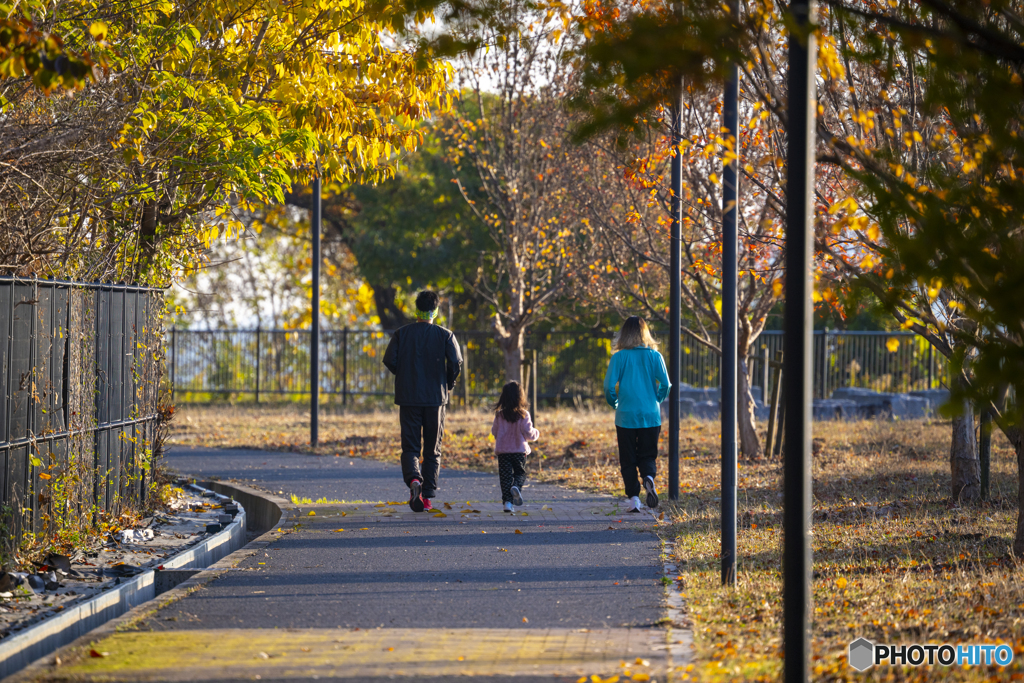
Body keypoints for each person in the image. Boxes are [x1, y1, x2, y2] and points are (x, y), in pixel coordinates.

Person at [383, 291, 463, 512]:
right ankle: (427, 497)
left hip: (408, 398)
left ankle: (413, 481)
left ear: (416, 309)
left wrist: (404, 375)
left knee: (410, 446)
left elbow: (389, 359)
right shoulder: (445, 335)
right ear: (435, 311)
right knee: (432, 449)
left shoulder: (401, 334)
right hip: (435, 399)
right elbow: (456, 362)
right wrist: (448, 382)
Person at [603, 316, 670, 512]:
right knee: (648, 454)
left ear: (624, 334)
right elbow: (666, 384)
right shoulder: (655, 356)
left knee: (628, 458)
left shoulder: (619, 357)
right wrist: (657, 400)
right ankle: (649, 477)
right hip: (650, 414)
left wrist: (613, 401)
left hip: (626, 415)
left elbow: (608, 386)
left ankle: (634, 499)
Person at [491, 381, 540, 513]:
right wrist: (537, 433)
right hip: (519, 451)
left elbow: (494, 432)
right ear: (520, 397)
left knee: (505, 477)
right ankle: (516, 486)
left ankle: (507, 504)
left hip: (503, 452)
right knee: (520, 473)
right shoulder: (524, 414)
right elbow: (529, 433)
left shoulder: (499, 415)